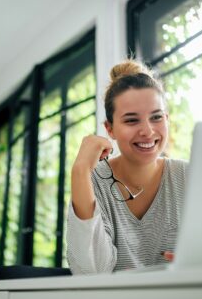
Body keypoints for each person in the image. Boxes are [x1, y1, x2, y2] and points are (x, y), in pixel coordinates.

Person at [66, 59, 188, 274]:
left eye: (157, 117)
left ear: (167, 119)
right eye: (132, 120)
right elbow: (89, 273)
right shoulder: (93, 180)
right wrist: (80, 171)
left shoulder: (189, 177)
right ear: (110, 129)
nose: (148, 131)